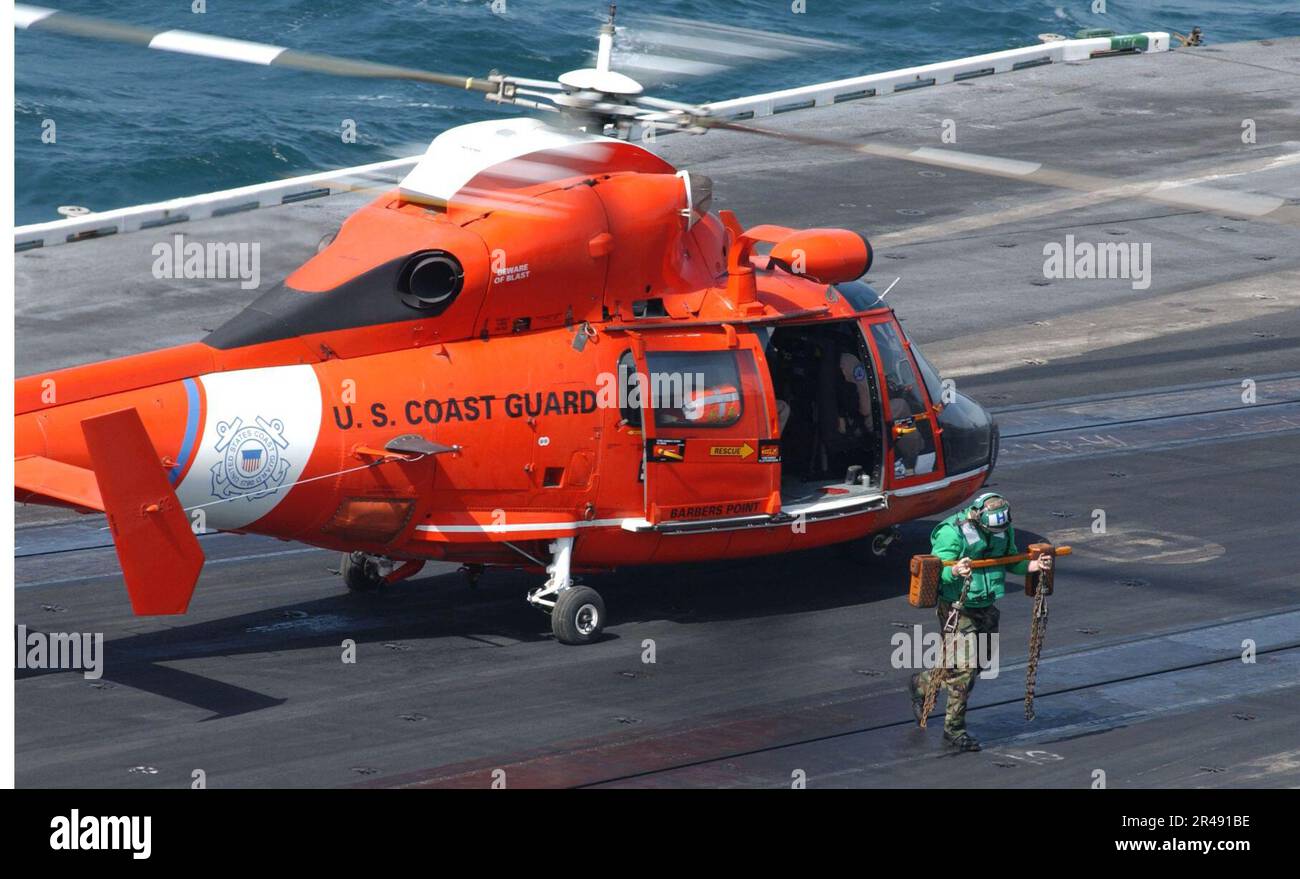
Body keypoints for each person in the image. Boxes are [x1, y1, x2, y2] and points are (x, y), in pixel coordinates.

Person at [909, 492, 1053, 752]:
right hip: (957, 606)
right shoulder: (951, 533)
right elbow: (936, 569)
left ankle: (923, 683)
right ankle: (954, 730)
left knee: (980, 664)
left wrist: (1031, 567)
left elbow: (1009, 559)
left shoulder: (1002, 529)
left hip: (985, 605)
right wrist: (953, 571)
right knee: (964, 672)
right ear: (976, 519)